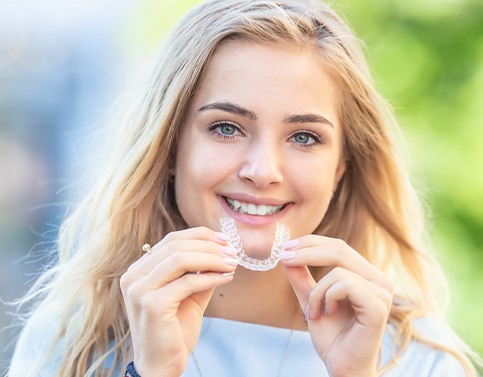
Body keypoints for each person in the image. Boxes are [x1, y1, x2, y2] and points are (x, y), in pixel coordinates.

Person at [8, 0, 482, 376]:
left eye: (304, 137)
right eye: (226, 128)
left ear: (341, 168)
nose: (263, 170)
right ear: (170, 148)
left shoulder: (418, 359)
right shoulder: (74, 341)